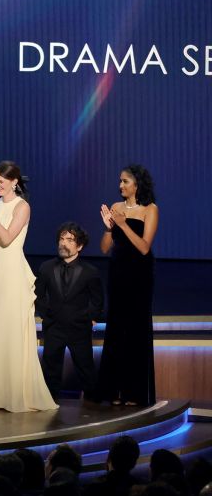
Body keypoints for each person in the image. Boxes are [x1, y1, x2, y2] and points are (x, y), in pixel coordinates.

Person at [0, 162, 57, 412]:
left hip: (12, 269)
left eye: (1, 181)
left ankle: (13, 393)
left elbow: (6, 238)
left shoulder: (22, 206)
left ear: (14, 181)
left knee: (9, 327)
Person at [97, 164, 159, 406]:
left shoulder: (150, 209)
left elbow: (144, 247)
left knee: (136, 330)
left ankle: (134, 392)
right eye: (120, 181)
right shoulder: (116, 208)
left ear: (137, 184)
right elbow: (104, 248)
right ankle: (113, 390)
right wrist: (108, 228)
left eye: (125, 181)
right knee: (116, 329)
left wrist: (122, 225)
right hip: (118, 273)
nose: (120, 185)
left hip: (140, 276)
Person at [35, 222, 104, 400]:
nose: (63, 243)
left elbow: (98, 300)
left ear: (79, 246)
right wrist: (47, 316)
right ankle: (49, 404)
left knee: (85, 367)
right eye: (61, 239)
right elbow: (38, 295)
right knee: (50, 367)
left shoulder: (90, 271)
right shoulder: (46, 268)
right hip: (54, 326)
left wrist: (89, 318)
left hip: (79, 328)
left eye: (69, 240)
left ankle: (94, 405)